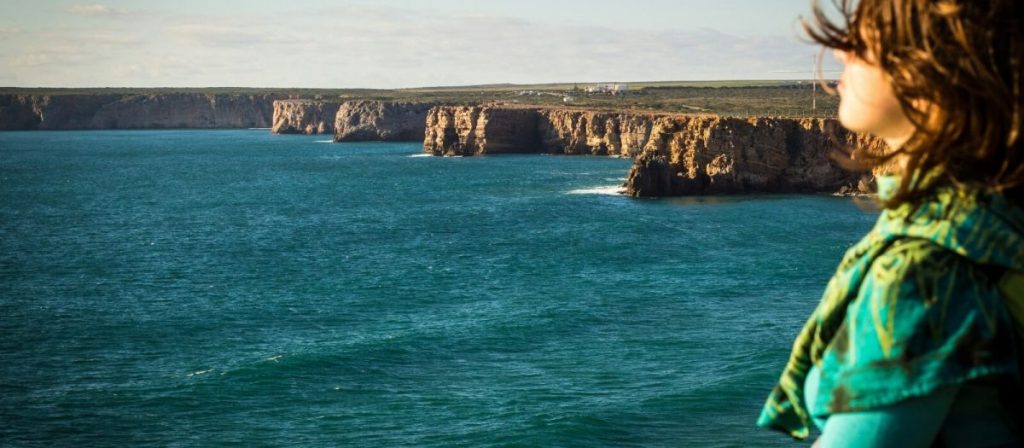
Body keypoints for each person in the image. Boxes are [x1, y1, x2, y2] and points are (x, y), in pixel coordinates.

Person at [757, 0, 1024, 446]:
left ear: (931, 71)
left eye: (864, 39)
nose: (841, 51)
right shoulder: (999, 218)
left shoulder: (924, 275)